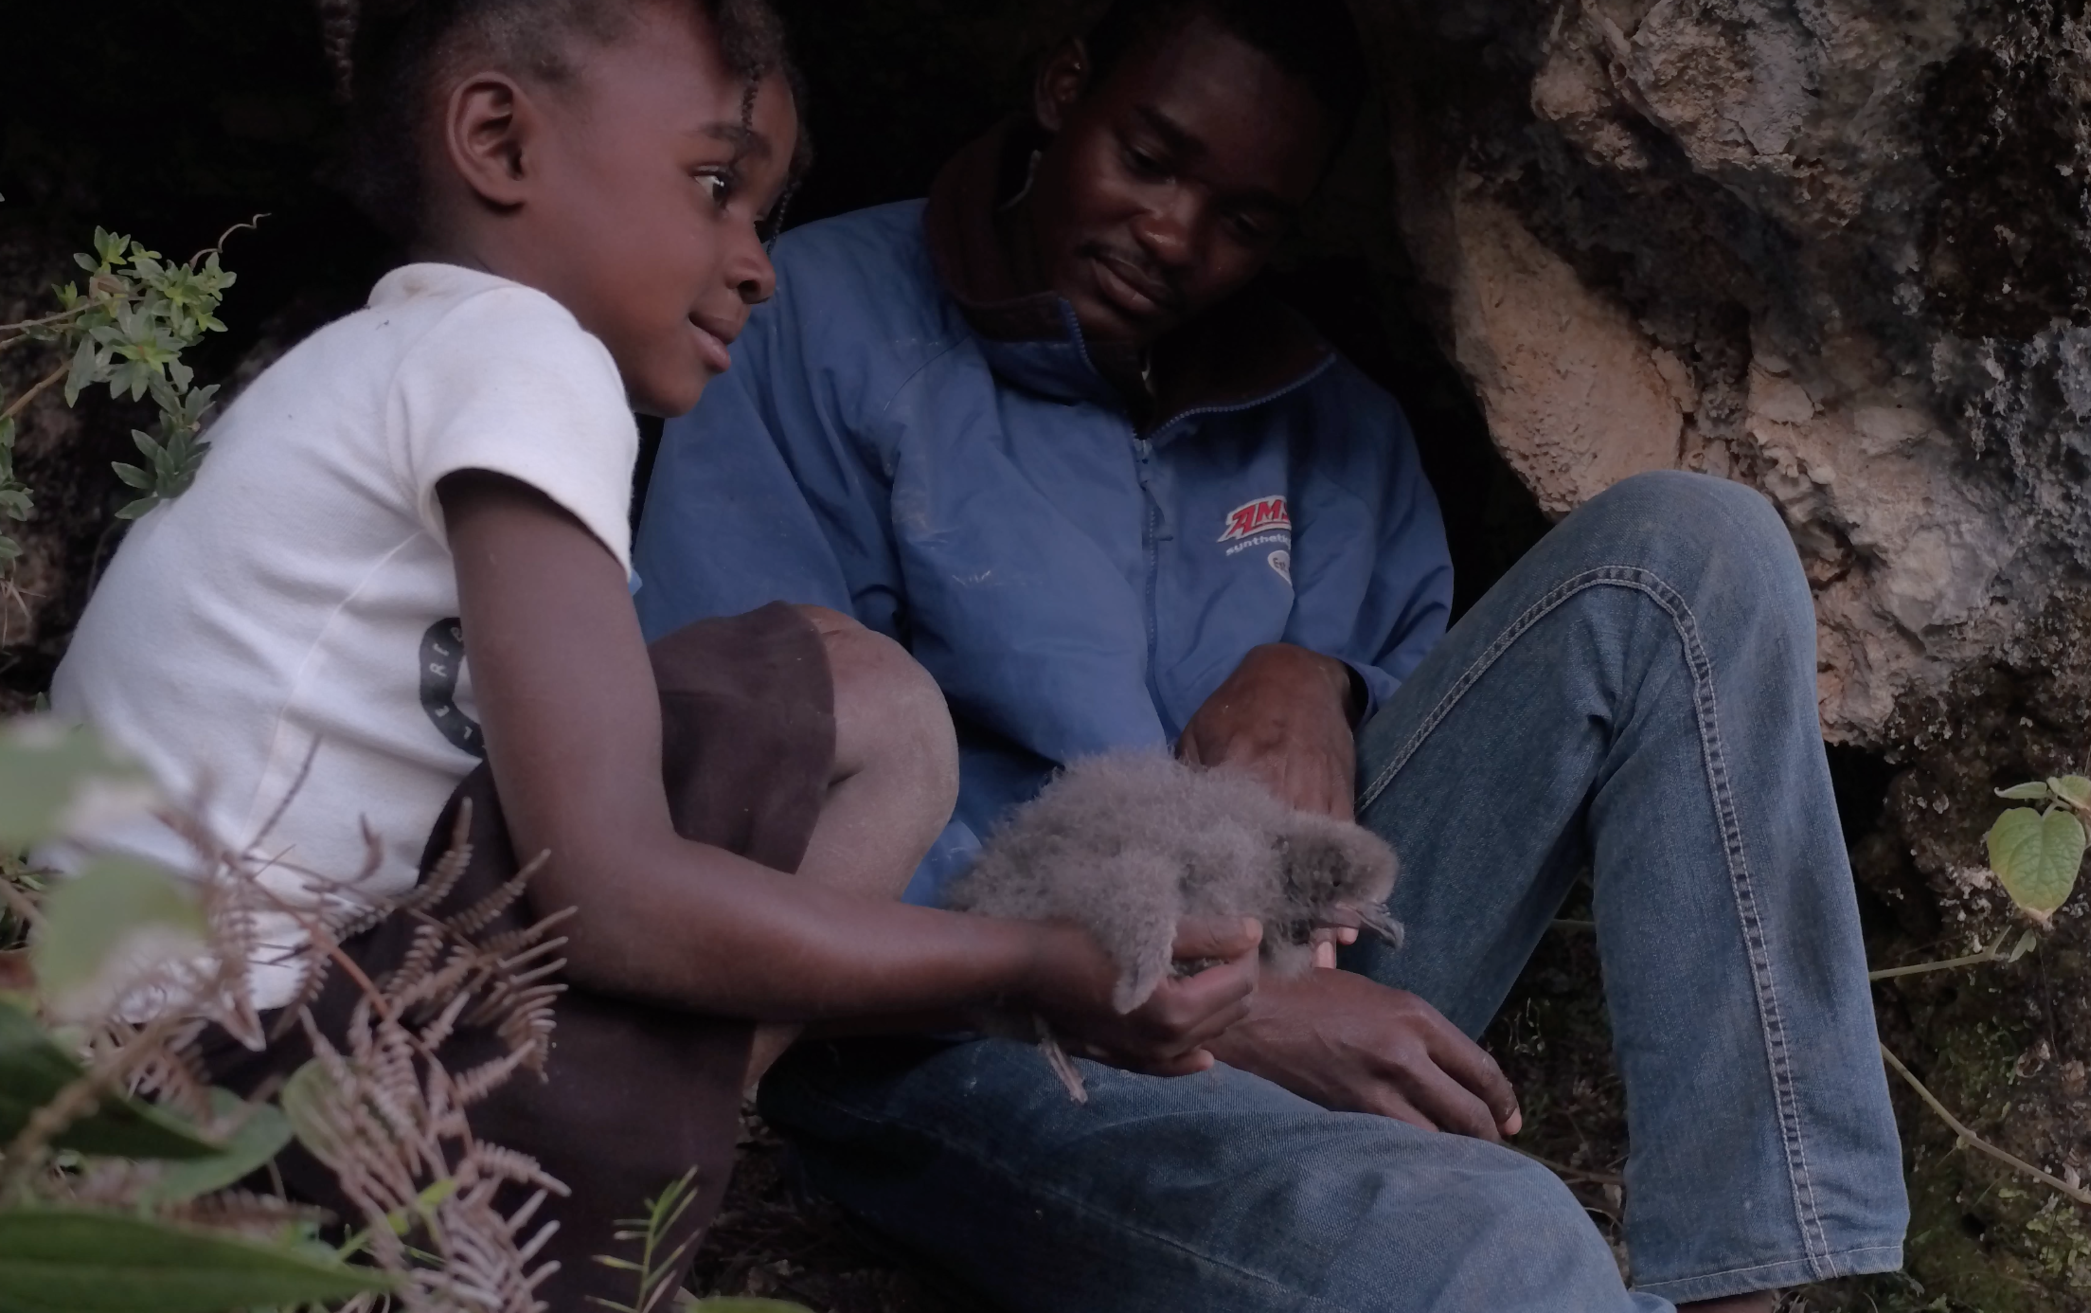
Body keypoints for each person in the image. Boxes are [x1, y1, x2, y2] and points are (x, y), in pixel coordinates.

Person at [631, 0, 1914, 1308]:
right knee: (1502, 1241)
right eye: (1151, 158)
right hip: (977, 1031)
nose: (1175, 235)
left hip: (1313, 953)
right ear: (1064, 82)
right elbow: (764, 789)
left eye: (1243, 220)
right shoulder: (821, 325)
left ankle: (1749, 1281)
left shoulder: (1326, 418)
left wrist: (1328, 673)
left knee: (1693, 550)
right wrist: (1217, 1000)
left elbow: (1444, 740)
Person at [47, 1, 1264, 1306]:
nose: (756, 264)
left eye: (763, 214)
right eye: (714, 184)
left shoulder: (365, 361)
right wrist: (1031, 969)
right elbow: (613, 891)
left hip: (120, 1085)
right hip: (267, 1084)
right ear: (499, 142)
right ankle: (601, 1233)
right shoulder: (515, 351)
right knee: (864, 697)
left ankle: (577, 1205)